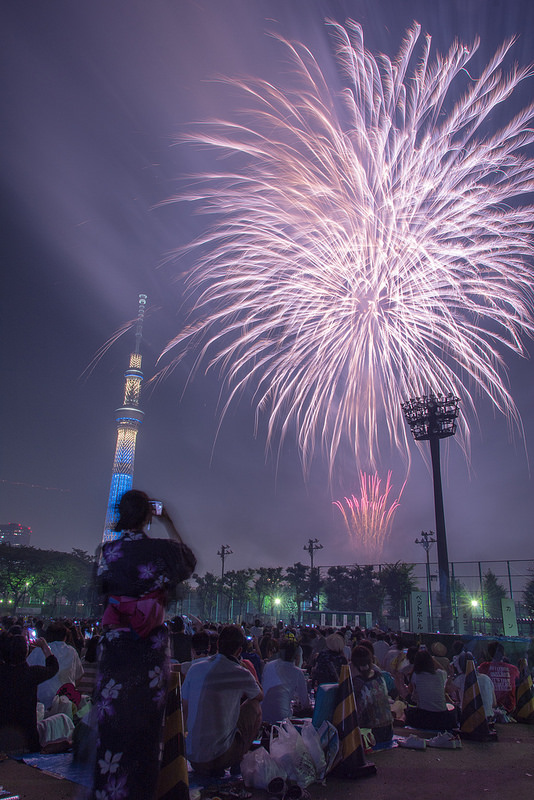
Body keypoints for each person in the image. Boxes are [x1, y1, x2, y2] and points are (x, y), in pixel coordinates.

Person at [91, 490, 196, 800]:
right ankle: (139, 791)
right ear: (149, 514)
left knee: (112, 721)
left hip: (115, 648)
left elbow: (102, 593)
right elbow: (187, 561)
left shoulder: (107, 552)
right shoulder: (161, 551)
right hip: (147, 646)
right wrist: (170, 523)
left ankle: (108, 790)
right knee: (145, 729)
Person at [182, 624, 263, 775]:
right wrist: (245, 667)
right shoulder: (240, 672)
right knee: (255, 707)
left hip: (192, 757)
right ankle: (238, 761)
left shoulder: (195, 668)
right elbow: (259, 696)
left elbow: (184, 708)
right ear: (239, 650)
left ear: (217, 644)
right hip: (219, 757)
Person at [0, 634, 59, 753]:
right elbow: (53, 668)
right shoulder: (31, 673)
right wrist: (45, 648)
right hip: (27, 737)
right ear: (25, 652)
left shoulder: (3, 672)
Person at [26, 621, 84, 710]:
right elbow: (79, 675)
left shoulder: (38, 651)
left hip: (40, 702)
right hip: (65, 703)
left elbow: (26, 671)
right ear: (65, 637)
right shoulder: (71, 652)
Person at [350, 645, 394, 744]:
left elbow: (357, 712)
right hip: (388, 730)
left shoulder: (359, 683)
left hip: (371, 735)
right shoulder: (379, 676)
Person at [405, 648, 457, 730]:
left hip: (424, 717)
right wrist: (432, 659)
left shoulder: (415, 675)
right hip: (443, 718)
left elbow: (413, 697)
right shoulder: (440, 674)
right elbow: (443, 670)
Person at [261, 637, 309, 723]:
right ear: (295, 654)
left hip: (262, 716)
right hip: (283, 720)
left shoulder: (268, 666)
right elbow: (305, 702)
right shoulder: (297, 673)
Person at [478, 641, 520, 714]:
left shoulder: (484, 667)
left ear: (489, 654)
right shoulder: (513, 669)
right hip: (510, 709)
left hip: (490, 709)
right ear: (503, 653)